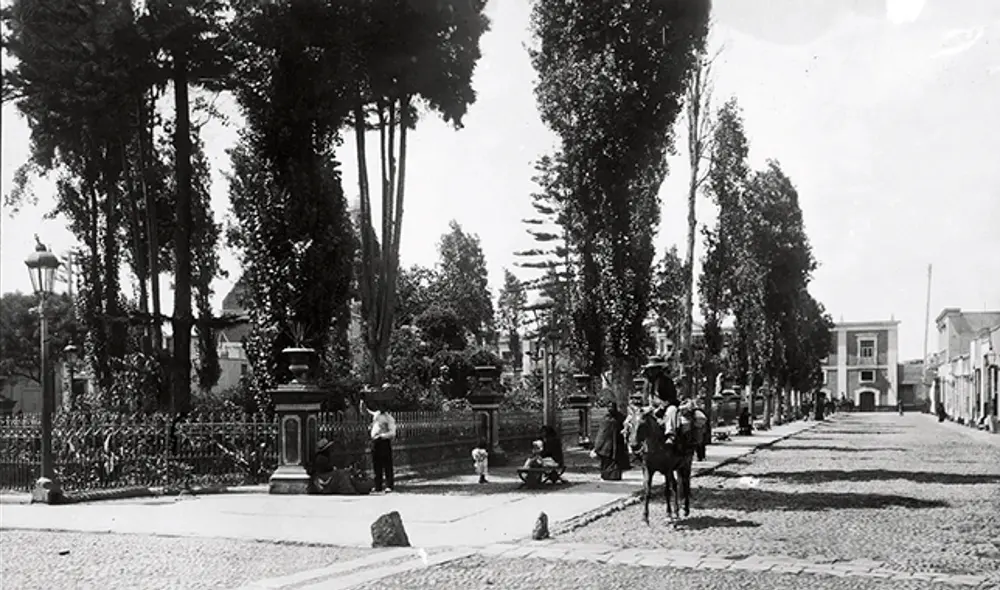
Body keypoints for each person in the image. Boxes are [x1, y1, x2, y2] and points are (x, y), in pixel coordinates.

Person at [362, 400, 396, 493]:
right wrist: (363, 405)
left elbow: (392, 433)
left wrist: (382, 435)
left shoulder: (389, 418)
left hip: (384, 441)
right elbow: (368, 413)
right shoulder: (376, 415)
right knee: (377, 465)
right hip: (375, 442)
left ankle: (389, 485)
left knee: (387, 464)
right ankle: (378, 485)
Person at [592, 403, 624, 480]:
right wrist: (598, 445)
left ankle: (615, 476)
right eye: (609, 407)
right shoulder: (605, 418)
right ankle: (606, 475)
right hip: (606, 444)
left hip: (617, 442)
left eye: (612, 407)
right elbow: (602, 432)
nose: (610, 408)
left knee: (616, 460)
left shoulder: (620, 417)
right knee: (606, 460)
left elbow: (623, 427)